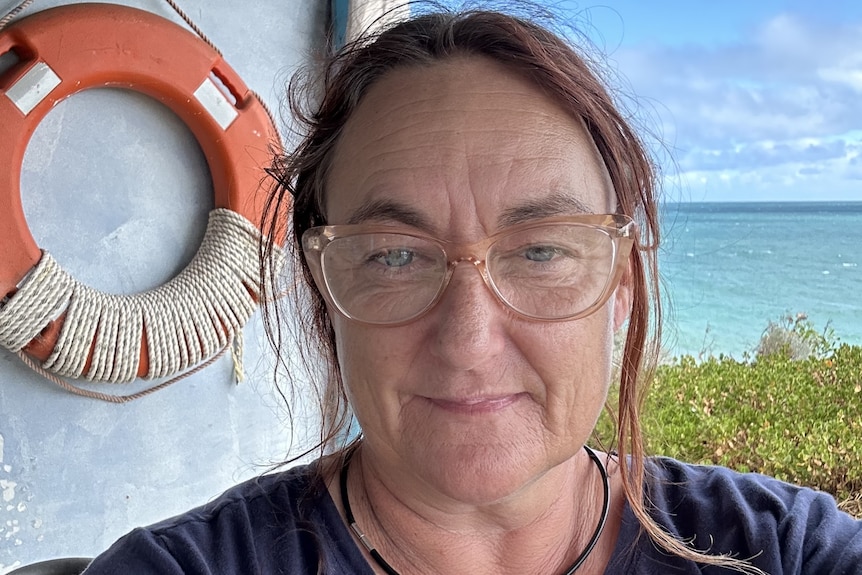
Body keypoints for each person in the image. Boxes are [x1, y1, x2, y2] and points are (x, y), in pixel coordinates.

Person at [83, 6, 862, 575]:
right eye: (394, 255)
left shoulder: (784, 550)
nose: (468, 337)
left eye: (541, 249)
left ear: (620, 285)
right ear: (324, 291)